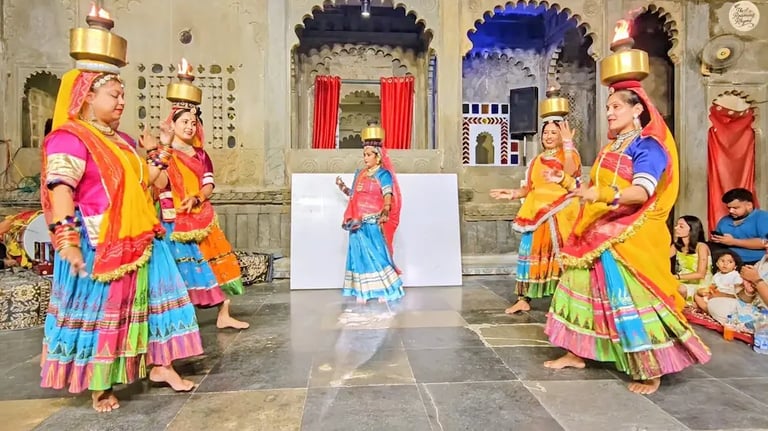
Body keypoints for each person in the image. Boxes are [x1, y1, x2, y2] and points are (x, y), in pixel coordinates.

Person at [39, 10, 203, 412]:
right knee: (105, 314)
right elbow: (61, 188)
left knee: (160, 304)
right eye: (114, 94)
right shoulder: (70, 138)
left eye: (122, 94)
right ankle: (100, 385)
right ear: (87, 96)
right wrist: (66, 238)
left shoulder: (125, 141)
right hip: (100, 243)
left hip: (143, 236)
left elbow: (154, 182)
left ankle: (161, 365)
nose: (122, 101)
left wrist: (164, 146)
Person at [541, 32, 710, 394]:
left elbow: (641, 192)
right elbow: (591, 187)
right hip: (598, 229)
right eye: (608, 107)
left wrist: (603, 193)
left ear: (637, 109)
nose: (609, 112)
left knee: (628, 297)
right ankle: (576, 351)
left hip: (630, 234)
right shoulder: (610, 148)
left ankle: (650, 367)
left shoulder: (649, 146)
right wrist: (569, 183)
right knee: (577, 285)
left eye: (616, 106)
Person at [153, 62, 248, 330]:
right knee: (182, 268)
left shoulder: (200, 155)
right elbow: (158, 183)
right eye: (184, 122)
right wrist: (160, 150)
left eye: (193, 123)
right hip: (174, 219)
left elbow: (208, 184)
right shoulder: (163, 153)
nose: (190, 127)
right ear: (172, 124)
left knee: (217, 263)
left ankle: (224, 313)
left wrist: (197, 198)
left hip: (202, 215)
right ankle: (179, 317)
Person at [490, 89, 581, 314]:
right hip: (535, 214)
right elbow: (530, 188)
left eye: (553, 132)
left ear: (562, 135)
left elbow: (570, 172)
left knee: (558, 256)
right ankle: (523, 299)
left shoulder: (568, 155)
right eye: (545, 133)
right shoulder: (536, 160)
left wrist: (568, 145)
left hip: (559, 214)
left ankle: (562, 301)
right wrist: (513, 193)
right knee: (529, 253)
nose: (548, 136)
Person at [334, 120, 404, 303]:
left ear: (378, 156)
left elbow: (387, 193)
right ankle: (363, 291)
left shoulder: (383, 174)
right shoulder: (360, 174)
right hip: (357, 223)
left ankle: (385, 290)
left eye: (368, 155)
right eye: (364, 155)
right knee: (359, 257)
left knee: (378, 255)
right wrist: (342, 187)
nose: (365, 158)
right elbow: (354, 195)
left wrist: (386, 210)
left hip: (373, 222)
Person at [712, 188, 768, 265]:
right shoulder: (724, 220)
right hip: (727, 263)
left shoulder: (763, 217)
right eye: (729, 208)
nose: (731, 211)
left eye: (735, 208)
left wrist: (733, 242)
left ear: (749, 205)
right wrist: (717, 239)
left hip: (757, 263)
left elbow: (765, 242)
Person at [670, 215, 712, 301]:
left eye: (681, 226)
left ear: (692, 230)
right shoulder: (676, 246)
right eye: (676, 225)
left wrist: (676, 277)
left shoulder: (701, 247)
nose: (676, 228)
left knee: (680, 289)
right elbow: (662, 259)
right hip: (681, 280)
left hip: (700, 283)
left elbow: (700, 274)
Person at [694, 250, 743, 315]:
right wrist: (705, 291)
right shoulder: (717, 275)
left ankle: (710, 311)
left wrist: (719, 294)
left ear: (735, 266)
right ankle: (708, 310)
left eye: (730, 262)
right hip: (715, 295)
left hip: (729, 296)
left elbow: (738, 292)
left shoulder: (735, 275)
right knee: (697, 295)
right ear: (717, 264)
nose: (725, 264)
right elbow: (713, 286)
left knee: (715, 298)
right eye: (722, 261)